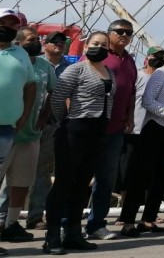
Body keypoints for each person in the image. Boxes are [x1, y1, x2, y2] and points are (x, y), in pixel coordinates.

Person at [45, 31, 116, 255]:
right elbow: (57, 97)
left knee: (83, 182)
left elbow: (110, 101)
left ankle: (73, 233)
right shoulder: (76, 69)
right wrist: (64, 120)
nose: (100, 47)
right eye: (95, 43)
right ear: (86, 47)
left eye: (104, 45)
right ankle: (53, 235)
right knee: (64, 182)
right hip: (74, 128)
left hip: (97, 131)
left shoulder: (110, 72)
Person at [119, 48, 164, 236]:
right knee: (140, 176)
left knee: (161, 178)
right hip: (154, 128)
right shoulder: (160, 74)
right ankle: (127, 220)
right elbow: (147, 100)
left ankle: (148, 219)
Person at [0, 27, 55, 244]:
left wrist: (40, 118)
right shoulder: (12, 57)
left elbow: (47, 91)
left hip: (30, 132)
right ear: (19, 42)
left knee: (22, 181)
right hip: (7, 130)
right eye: (32, 39)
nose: (36, 42)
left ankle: (12, 224)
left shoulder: (41, 65)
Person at [84, 20, 138, 242]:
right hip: (92, 127)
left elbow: (132, 92)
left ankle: (97, 224)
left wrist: (131, 118)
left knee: (106, 180)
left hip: (115, 129)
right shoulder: (99, 56)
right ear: (109, 33)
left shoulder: (130, 60)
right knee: (81, 176)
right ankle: (67, 224)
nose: (124, 35)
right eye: (120, 32)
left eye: (129, 32)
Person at [25, 31, 70, 231]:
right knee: (12, 171)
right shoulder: (33, 62)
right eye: (55, 41)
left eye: (63, 41)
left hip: (53, 125)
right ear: (46, 44)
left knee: (43, 172)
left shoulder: (70, 68)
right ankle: (5, 216)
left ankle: (35, 215)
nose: (59, 44)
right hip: (25, 123)